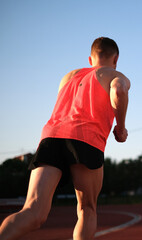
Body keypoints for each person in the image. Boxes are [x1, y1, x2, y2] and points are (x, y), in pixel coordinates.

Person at [0, 37, 130, 240]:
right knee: (87, 209)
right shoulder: (113, 74)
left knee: (33, 211)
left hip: (51, 137)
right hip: (86, 139)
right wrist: (120, 129)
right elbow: (119, 90)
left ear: (90, 58)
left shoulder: (68, 76)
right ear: (116, 58)